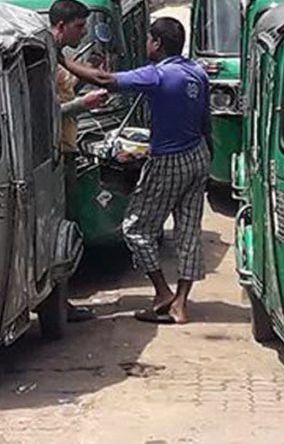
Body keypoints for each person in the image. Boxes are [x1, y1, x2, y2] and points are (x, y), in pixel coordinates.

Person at [66, 17, 210, 325]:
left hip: (169, 160)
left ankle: (161, 293)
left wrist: (62, 62)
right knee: (188, 231)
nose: (146, 44)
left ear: (157, 44)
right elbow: (204, 121)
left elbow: (104, 81)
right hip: (198, 155)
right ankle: (180, 304)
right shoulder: (196, 72)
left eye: (148, 39)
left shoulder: (157, 75)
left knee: (135, 227)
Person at [49, 0, 108, 323]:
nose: (83, 33)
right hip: (55, 153)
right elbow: (48, 112)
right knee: (63, 226)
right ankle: (59, 303)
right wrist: (83, 105)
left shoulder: (60, 55)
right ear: (61, 26)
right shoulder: (47, 56)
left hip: (67, 148)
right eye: (78, 27)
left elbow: (68, 87)